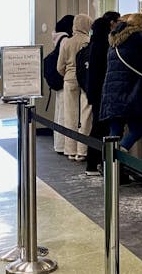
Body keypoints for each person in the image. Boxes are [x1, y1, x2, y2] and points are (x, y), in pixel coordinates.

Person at [100, 8, 142, 152]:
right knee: (138, 128)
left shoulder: (114, 41)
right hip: (129, 92)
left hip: (111, 94)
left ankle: (110, 167)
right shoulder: (136, 37)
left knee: (115, 131)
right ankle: (118, 156)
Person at [84, 11, 121, 176]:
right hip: (101, 92)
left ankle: (93, 162)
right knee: (100, 128)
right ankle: (94, 163)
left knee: (97, 127)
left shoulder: (93, 44)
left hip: (94, 91)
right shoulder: (104, 47)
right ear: (111, 24)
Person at [56, 14, 92, 161]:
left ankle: (70, 150)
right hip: (86, 80)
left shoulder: (67, 43)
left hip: (69, 79)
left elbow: (59, 66)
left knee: (70, 115)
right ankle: (82, 151)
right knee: (85, 115)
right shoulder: (89, 42)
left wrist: (68, 74)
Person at [50, 15, 74, 154]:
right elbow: (63, 63)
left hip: (60, 82)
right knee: (65, 114)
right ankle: (63, 145)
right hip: (66, 81)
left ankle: (59, 144)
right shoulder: (66, 40)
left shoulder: (58, 38)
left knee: (59, 113)